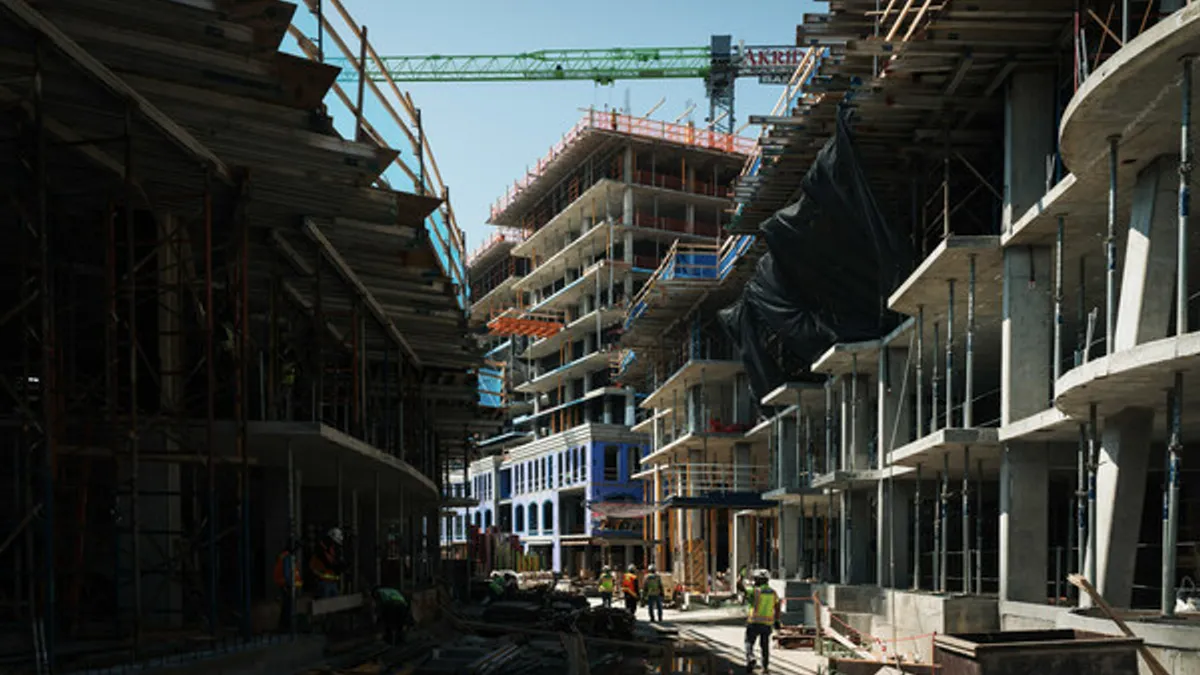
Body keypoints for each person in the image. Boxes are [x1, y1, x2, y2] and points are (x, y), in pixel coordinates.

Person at [744, 569, 781, 674]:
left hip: (754, 622)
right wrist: (777, 620)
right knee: (764, 646)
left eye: (755, 579)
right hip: (767, 624)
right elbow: (777, 606)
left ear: (758, 580)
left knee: (749, 643)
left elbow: (741, 588)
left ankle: (751, 658)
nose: (754, 581)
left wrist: (740, 577)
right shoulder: (773, 593)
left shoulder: (754, 591)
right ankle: (765, 667)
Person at [273, 540, 303, 632]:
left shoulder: (285, 556)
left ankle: (284, 627)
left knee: (286, 607)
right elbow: (287, 573)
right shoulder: (287, 557)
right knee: (288, 607)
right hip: (287, 586)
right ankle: (286, 627)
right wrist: (289, 585)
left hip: (287, 585)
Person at [310, 527, 344, 598]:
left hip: (332, 582)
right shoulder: (320, 551)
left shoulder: (331, 550)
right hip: (323, 583)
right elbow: (314, 567)